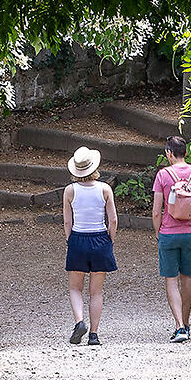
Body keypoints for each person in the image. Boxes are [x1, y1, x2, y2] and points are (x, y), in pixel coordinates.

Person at [151, 134, 191, 342]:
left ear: (169, 153)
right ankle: (186, 324)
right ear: (186, 153)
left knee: (171, 280)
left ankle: (178, 327)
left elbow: (156, 212)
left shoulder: (163, 175)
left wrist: (158, 232)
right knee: (187, 278)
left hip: (168, 234)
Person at [62, 147, 117, 346]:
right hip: (100, 238)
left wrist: (70, 240)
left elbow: (67, 222)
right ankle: (94, 334)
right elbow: (113, 220)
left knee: (75, 288)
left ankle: (79, 322)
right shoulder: (104, 189)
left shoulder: (70, 191)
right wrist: (110, 240)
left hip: (78, 238)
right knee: (97, 291)